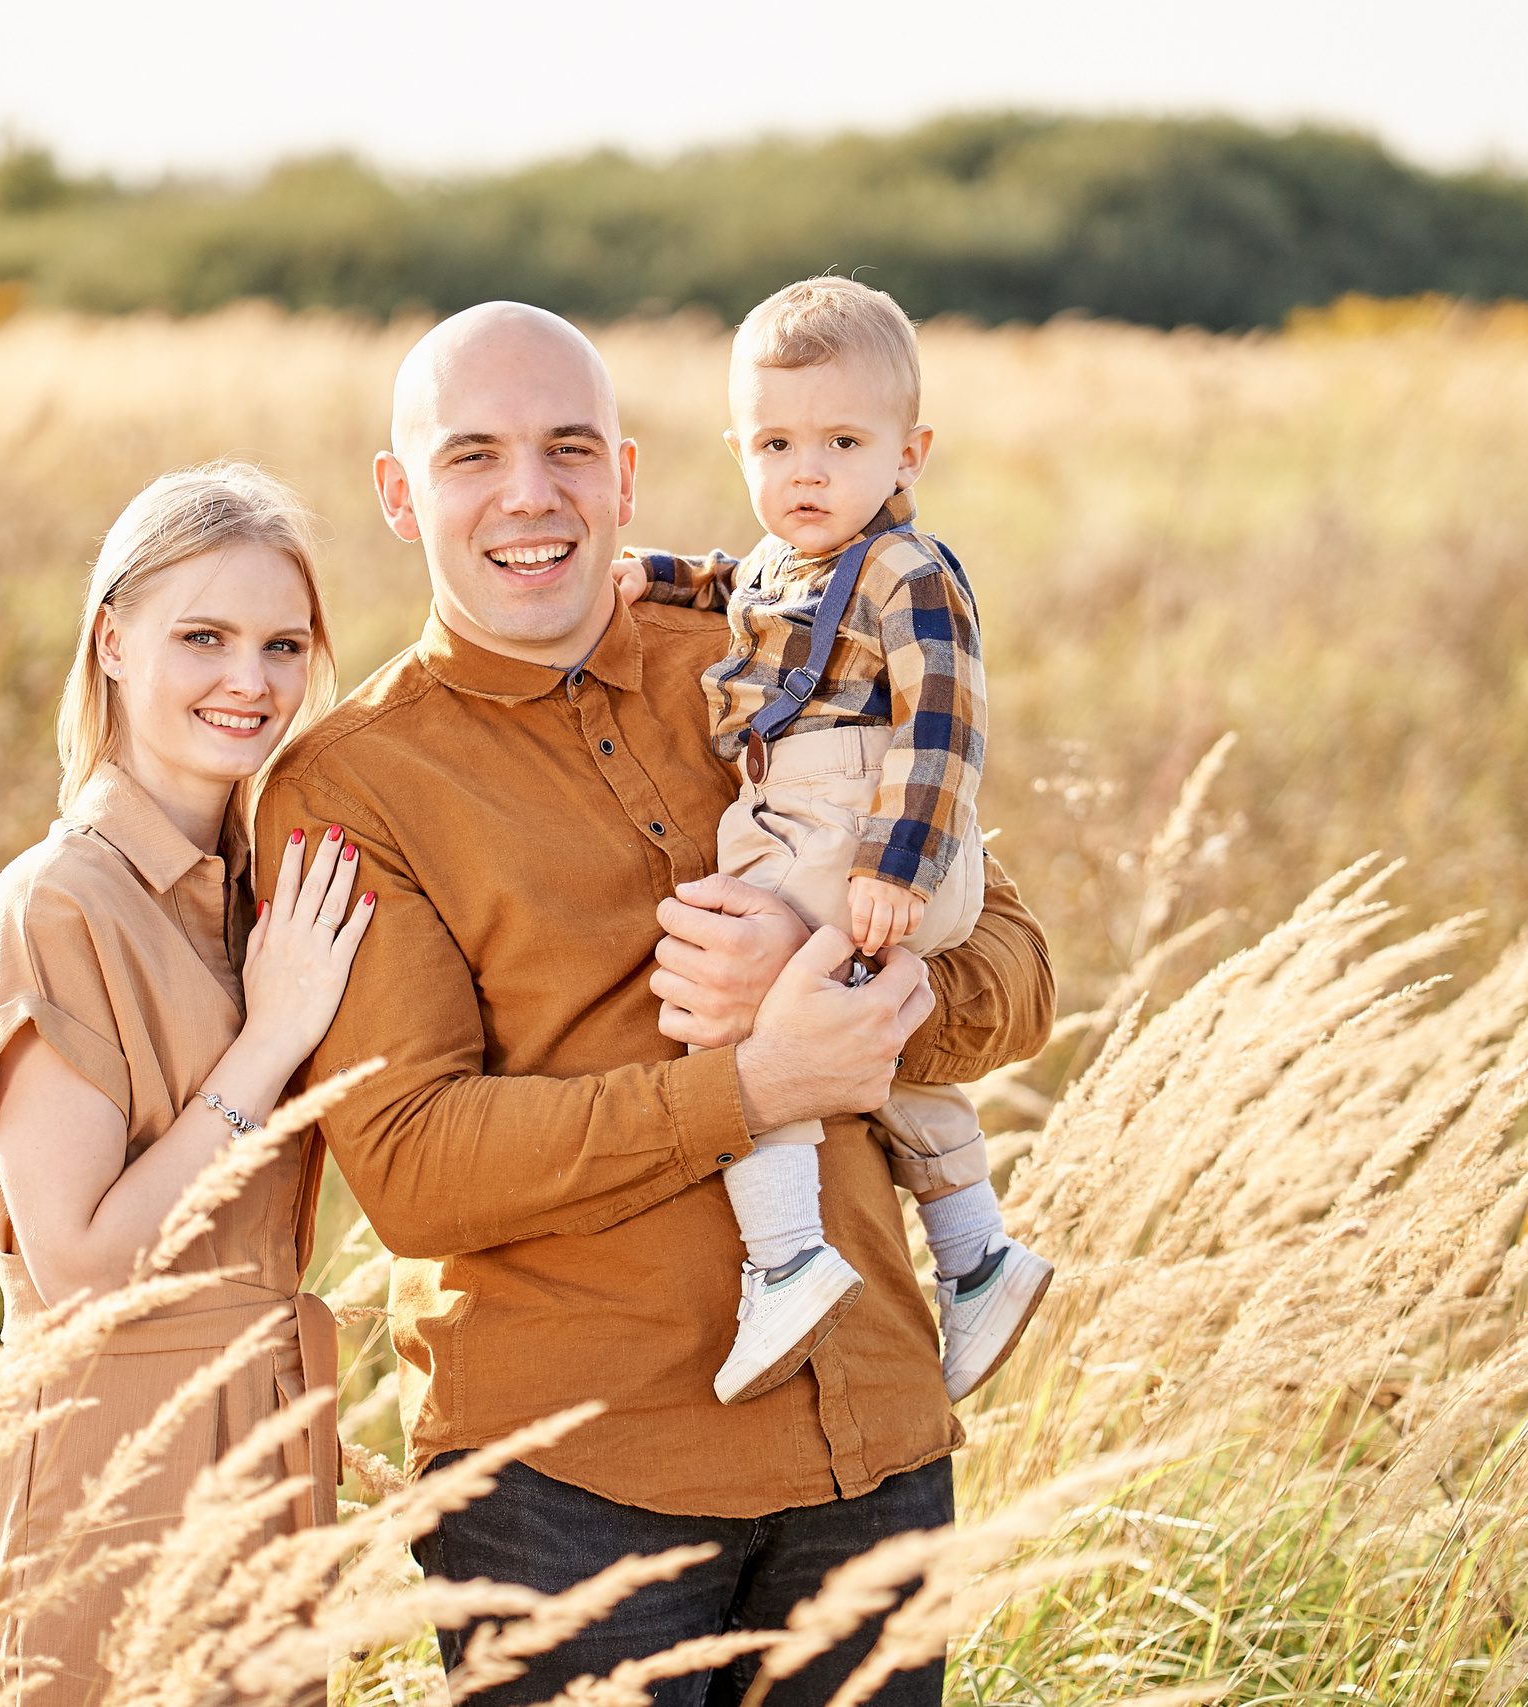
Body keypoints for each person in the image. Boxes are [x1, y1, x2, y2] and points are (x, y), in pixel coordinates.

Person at [255, 304, 1055, 1707]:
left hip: (869, 1444)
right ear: (399, 494)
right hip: (570, 1490)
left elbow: (1021, 972)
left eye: (570, 447)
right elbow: (417, 1169)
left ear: (625, 474)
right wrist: (755, 1084)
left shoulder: (773, 648)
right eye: (472, 456)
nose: (530, 493)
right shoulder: (352, 784)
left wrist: (834, 997)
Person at [0, 463, 375, 1706]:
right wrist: (269, 1041)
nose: (252, 681)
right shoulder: (57, 904)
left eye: (284, 644)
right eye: (204, 638)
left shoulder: (265, 893)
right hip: (102, 1470)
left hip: (259, 1454)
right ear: (112, 643)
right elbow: (76, 1264)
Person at [614, 276, 1053, 1408]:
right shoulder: (782, 560)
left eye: (841, 441)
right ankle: (976, 1255)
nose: (804, 472)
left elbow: (946, 723)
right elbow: (725, 582)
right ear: (737, 449)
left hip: (857, 821)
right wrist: (650, 576)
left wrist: (891, 866)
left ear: (908, 455)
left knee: (735, 1007)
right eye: (774, 443)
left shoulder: (909, 573)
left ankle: (787, 1257)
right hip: (804, 814)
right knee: (872, 1047)